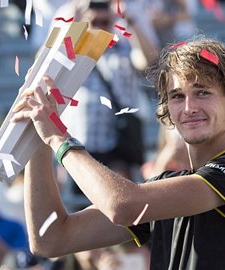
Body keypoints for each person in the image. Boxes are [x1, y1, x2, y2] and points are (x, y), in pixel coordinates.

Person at [12, 36, 225, 269]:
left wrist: (59, 139)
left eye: (202, 92)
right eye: (176, 96)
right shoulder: (163, 189)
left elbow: (123, 206)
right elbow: (50, 238)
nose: (189, 107)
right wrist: (38, 137)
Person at [58, 0, 158, 211]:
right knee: (81, 211)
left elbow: (149, 61)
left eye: (105, 21)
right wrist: (74, 23)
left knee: (121, 207)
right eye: (95, 21)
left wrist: (131, 20)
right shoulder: (72, 53)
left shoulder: (123, 49)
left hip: (117, 144)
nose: (100, 26)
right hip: (81, 143)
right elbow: (47, 63)